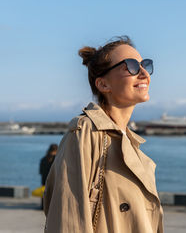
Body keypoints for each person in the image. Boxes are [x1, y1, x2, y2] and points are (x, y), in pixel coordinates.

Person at [43, 36, 163, 233]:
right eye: (130, 66)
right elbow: (67, 220)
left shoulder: (129, 141)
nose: (143, 73)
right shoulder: (85, 133)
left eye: (145, 65)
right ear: (103, 85)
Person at [39, 144, 58, 209]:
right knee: (52, 193)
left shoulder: (43, 159)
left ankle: (43, 206)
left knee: (44, 193)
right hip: (53, 179)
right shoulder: (56, 159)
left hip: (44, 179)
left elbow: (40, 171)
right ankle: (51, 207)